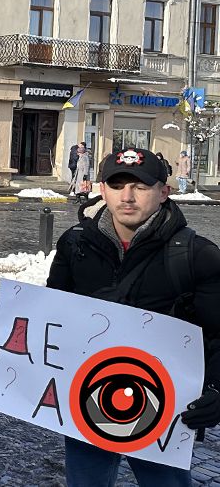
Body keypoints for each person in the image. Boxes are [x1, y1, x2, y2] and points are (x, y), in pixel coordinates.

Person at [42, 147, 220, 486]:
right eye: (117, 184)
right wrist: (9, 342)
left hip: (164, 411)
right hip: (88, 400)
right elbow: (51, 314)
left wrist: (216, 388)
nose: (127, 196)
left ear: (163, 192)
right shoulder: (75, 244)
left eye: (139, 186)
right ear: (101, 188)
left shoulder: (198, 255)